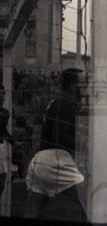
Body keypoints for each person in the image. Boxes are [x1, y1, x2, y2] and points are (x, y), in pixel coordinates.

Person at [23, 68, 86, 222]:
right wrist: (84, 145)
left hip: (40, 162)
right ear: (73, 87)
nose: (87, 86)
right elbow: (59, 136)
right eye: (84, 83)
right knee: (91, 201)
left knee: (31, 213)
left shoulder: (57, 103)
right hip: (55, 161)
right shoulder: (66, 105)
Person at [0, 83, 14, 201]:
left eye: (3, 94)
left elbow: (3, 130)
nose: (2, 96)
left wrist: (11, 139)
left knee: (2, 179)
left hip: (1, 148)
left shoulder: (5, 113)